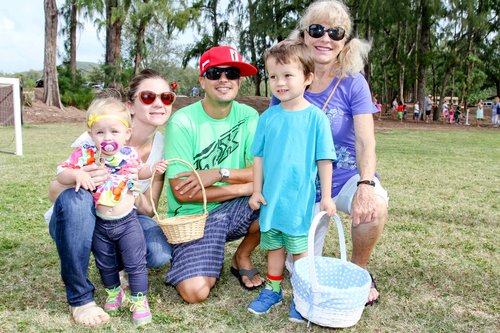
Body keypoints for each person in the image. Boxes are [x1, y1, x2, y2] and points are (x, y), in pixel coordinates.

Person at [47, 69, 174, 327]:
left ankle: (118, 266)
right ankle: (81, 299)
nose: (159, 103)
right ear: (130, 106)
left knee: (159, 253)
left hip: (125, 216)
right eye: (148, 96)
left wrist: (128, 188)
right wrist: (81, 178)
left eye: (166, 96)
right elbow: (55, 191)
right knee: (78, 199)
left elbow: (148, 210)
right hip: (79, 217)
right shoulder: (97, 135)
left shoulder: (162, 145)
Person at [283, 0, 389, 306]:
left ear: (345, 42)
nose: (325, 38)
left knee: (374, 208)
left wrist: (366, 185)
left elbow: (365, 142)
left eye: (336, 32)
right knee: (300, 272)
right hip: (306, 184)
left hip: (343, 177)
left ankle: (358, 272)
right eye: (316, 29)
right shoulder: (287, 80)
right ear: (303, 35)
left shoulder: (354, 83)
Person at [163, 45, 264, 304]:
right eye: (215, 73)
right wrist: (244, 188)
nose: (224, 79)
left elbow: (262, 173)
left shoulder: (249, 116)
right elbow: (183, 193)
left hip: (233, 209)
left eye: (231, 73)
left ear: (239, 81)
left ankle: (241, 255)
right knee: (195, 292)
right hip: (195, 218)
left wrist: (221, 173)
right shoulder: (183, 122)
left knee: (279, 194)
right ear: (202, 80)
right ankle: (200, 254)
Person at [246, 40, 337, 322]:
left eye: (287, 75)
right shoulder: (268, 117)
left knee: (299, 253)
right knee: (274, 246)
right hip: (271, 199)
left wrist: (327, 196)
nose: (279, 83)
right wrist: (256, 190)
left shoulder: (316, 119)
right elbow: (258, 157)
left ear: (308, 77)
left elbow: (324, 159)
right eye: (273, 76)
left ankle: (301, 296)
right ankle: (273, 290)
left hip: (298, 200)